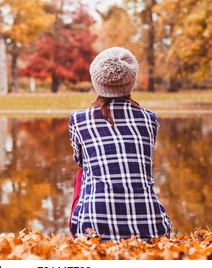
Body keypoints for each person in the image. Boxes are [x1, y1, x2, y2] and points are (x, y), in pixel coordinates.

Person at [68, 47, 172, 242]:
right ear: (131, 81)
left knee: (82, 174)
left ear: (96, 81)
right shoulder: (149, 119)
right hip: (151, 227)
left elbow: (80, 161)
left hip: (93, 229)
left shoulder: (78, 120)